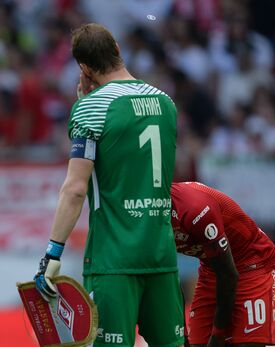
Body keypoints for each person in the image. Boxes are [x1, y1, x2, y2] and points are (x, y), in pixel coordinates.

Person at [34, 23, 185, 347]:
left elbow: (75, 188)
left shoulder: (89, 108)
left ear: (84, 68)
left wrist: (52, 254)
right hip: (160, 254)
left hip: (113, 259)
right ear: (117, 48)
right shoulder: (166, 103)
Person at [171, 181, 275, 347]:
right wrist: (183, 335)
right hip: (212, 269)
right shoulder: (140, 219)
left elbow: (229, 275)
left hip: (252, 263)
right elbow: (170, 279)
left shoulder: (195, 207)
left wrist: (218, 335)